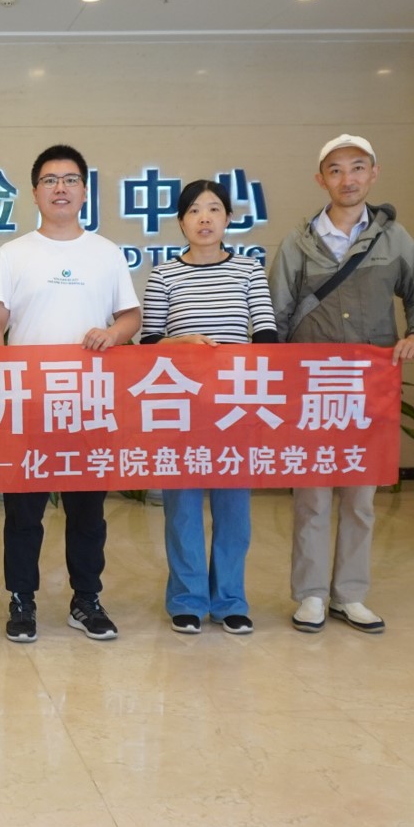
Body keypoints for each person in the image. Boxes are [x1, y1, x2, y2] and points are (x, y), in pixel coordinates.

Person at [269, 134, 414, 635]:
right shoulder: (298, 242)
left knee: (360, 498)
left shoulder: (395, 239)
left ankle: (351, 595)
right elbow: (275, 313)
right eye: (336, 170)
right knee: (312, 495)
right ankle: (311, 595)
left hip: (369, 388)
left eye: (358, 167)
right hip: (311, 387)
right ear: (321, 179)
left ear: (374, 173)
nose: (348, 178)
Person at [0, 144, 141, 643]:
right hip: (29, 403)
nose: (60, 189)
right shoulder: (13, 254)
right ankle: (22, 599)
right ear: (34, 193)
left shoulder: (106, 252)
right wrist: (2, 391)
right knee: (23, 512)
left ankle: (85, 599)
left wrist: (112, 334)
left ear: (85, 191)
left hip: (89, 403)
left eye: (70, 180)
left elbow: (131, 316)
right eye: (50, 180)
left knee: (87, 511)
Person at [139, 179, 277, 636]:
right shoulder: (164, 275)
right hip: (181, 406)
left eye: (214, 209)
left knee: (234, 510)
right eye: (194, 210)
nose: (204, 218)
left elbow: (267, 336)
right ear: (181, 222)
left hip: (236, 406)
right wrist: (180, 343)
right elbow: (149, 342)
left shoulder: (249, 271)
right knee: (182, 509)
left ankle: (230, 600)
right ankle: (187, 600)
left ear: (228, 219)